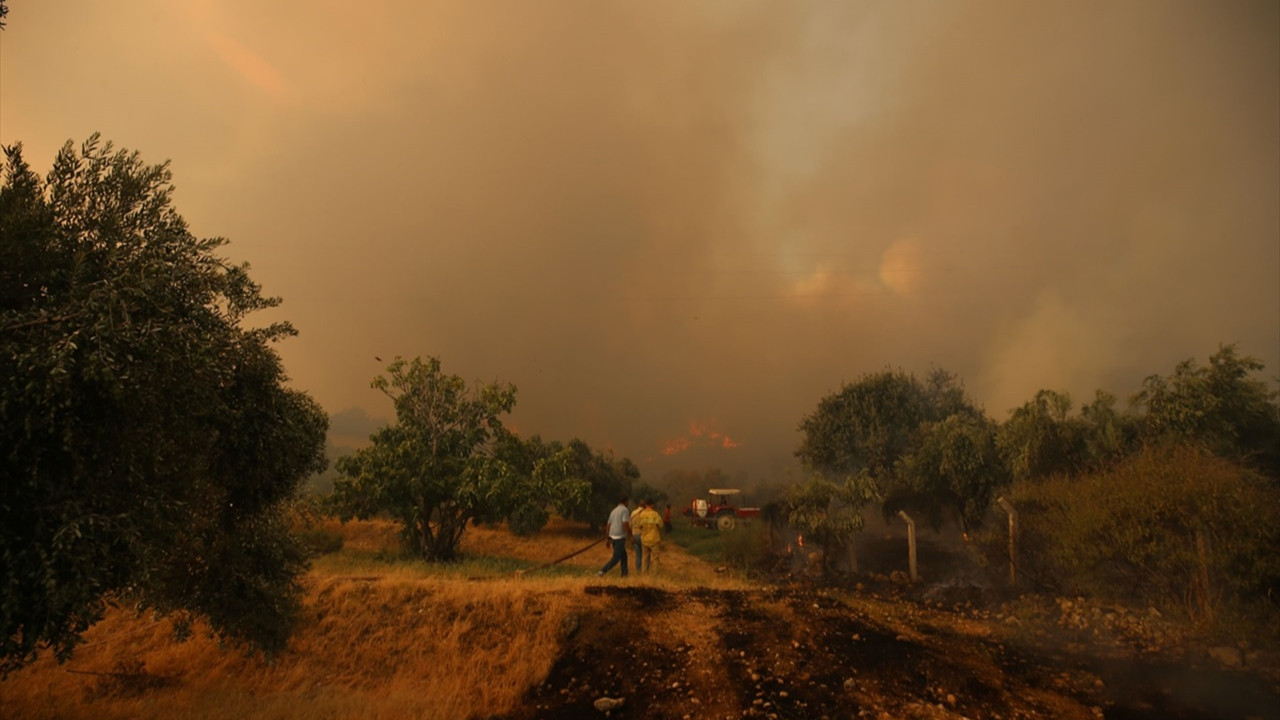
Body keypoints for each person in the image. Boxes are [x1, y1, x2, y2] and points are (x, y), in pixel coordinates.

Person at [597, 495, 631, 578]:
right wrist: (631, 536)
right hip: (619, 537)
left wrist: (607, 538)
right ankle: (602, 571)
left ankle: (624, 574)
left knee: (624, 555)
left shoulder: (614, 511)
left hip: (612, 536)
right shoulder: (625, 510)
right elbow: (625, 524)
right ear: (626, 501)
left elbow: (608, 525)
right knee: (616, 558)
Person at [631, 498, 664, 573]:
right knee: (655, 558)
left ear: (645, 504)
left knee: (645, 558)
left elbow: (639, 526)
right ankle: (654, 575)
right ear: (652, 505)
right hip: (654, 538)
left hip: (644, 539)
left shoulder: (641, 515)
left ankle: (644, 575)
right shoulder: (655, 514)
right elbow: (661, 525)